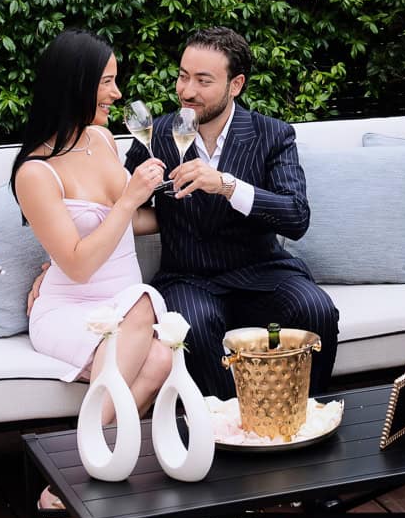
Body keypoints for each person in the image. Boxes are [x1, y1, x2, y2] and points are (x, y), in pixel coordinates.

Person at [10, 28, 172, 518]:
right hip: (72, 307)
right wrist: (128, 199)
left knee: (162, 359)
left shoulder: (104, 140)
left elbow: (130, 224)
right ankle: (77, 485)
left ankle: (60, 489)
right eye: (107, 83)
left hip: (124, 311)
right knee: (147, 309)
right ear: (75, 85)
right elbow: (77, 264)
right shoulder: (35, 172)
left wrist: (180, 203)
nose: (118, 95)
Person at [128, 26, 337, 399]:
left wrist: (225, 184)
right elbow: (120, 207)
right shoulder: (156, 135)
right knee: (192, 324)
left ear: (235, 84)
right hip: (188, 277)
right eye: (182, 76)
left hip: (261, 271)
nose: (187, 90)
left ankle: (305, 413)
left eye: (203, 81)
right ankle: (232, 425)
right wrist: (58, 263)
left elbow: (295, 216)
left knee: (316, 309)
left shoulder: (273, 135)